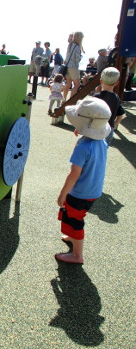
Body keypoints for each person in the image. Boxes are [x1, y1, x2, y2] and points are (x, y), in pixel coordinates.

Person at [55, 97, 111, 264]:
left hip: (79, 193)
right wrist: (83, 133)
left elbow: (74, 174)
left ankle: (77, 255)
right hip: (93, 190)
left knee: (75, 220)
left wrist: (62, 195)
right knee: (75, 216)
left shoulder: (82, 148)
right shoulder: (102, 141)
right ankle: (73, 239)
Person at [93, 67, 126, 146]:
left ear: (101, 81)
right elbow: (120, 115)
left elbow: (89, 113)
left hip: (95, 128)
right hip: (108, 129)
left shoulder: (97, 96)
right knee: (102, 152)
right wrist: (113, 126)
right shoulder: (116, 98)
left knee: (84, 147)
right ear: (116, 83)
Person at [62, 31, 84, 100]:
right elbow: (77, 59)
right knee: (77, 84)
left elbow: (67, 56)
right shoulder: (77, 47)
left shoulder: (70, 45)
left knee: (68, 84)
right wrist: (81, 56)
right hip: (73, 67)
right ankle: (71, 100)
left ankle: (64, 99)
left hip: (67, 66)